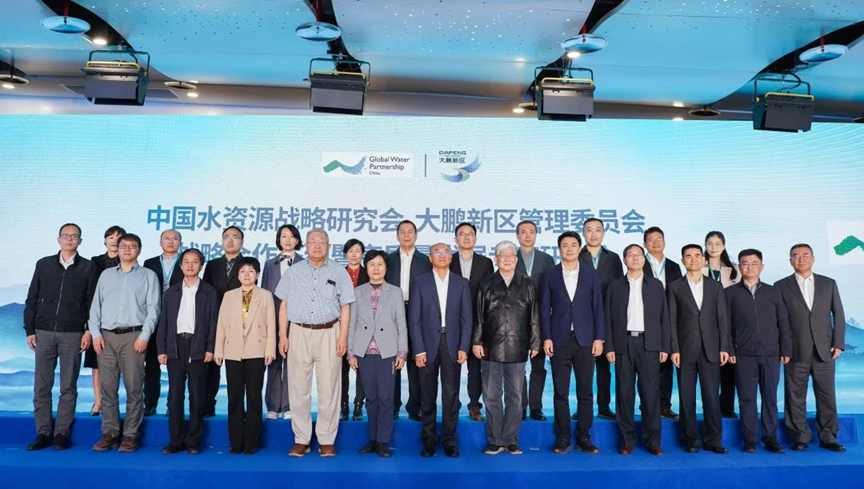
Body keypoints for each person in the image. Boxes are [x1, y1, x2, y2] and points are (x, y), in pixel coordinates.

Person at [276, 229, 355, 458]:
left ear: (329, 246)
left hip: (330, 332)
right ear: (306, 245)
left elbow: (346, 306)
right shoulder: (294, 271)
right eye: (313, 241)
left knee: (329, 388)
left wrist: (343, 336)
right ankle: (301, 439)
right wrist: (283, 335)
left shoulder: (339, 271)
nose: (317, 245)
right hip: (299, 332)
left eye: (322, 242)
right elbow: (284, 305)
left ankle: (326, 439)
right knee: (298, 388)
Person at [23, 223, 97, 451]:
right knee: (41, 386)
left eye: (74, 236)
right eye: (65, 235)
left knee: (68, 386)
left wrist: (88, 330)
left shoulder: (88, 267)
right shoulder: (44, 264)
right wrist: (30, 330)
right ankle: (43, 432)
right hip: (43, 332)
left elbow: (91, 302)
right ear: (58, 239)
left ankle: (61, 433)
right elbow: (32, 298)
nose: (69, 239)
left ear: (80, 241)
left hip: (73, 333)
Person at [89, 233, 160, 453]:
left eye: (132, 246)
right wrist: (95, 334)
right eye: (123, 246)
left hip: (134, 337)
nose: (127, 249)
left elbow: (154, 309)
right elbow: (95, 307)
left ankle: (130, 435)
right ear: (117, 249)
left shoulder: (148, 275)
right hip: (106, 337)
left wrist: (144, 336)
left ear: (139, 250)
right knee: (108, 388)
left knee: (134, 388)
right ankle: (109, 433)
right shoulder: (106, 275)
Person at [775, 244, 846, 452]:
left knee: (827, 395)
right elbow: (779, 320)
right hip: (795, 350)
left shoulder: (828, 283)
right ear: (790, 261)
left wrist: (838, 343)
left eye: (805, 255)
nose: (801, 259)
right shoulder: (780, 286)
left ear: (813, 258)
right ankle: (800, 437)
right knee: (795, 396)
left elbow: (838, 314)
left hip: (825, 350)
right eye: (796, 256)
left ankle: (829, 437)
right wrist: (783, 348)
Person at [472, 240, 540, 455]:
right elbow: (479, 316)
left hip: (517, 346)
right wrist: (476, 341)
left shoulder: (527, 284)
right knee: (491, 396)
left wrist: (535, 341)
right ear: (496, 260)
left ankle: (510, 439)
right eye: (503, 256)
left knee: (515, 397)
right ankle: (495, 440)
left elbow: (534, 316)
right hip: (490, 347)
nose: (507, 259)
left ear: (516, 260)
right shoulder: (486, 283)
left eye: (511, 256)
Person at [539, 231, 604, 455]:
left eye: (573, 245)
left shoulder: (590, 274)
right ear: (559, 249)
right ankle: (564, 437)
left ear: (579, 248)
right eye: (565, 245)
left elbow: (598, 307)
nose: (569, 249)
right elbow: (544, 310)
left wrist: (599, 338)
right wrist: (546, 337)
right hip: (559, 341)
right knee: (561, 392)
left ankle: (584, 437)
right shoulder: (549, 275)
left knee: (585, 393)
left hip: (586, 340)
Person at [604, 244, 669, 456]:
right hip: (623, 344)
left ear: (644, 259)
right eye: (630, 255)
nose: (634, 258)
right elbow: (608, 318)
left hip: (649, 344)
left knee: (650, 395)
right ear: (624, 260)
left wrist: (664, 346)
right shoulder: (615, 286)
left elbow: (664, 317)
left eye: (638, 255)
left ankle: (653, 441)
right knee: (625, 394)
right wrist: (609, 346)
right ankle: (627, 440)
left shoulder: (656, 285)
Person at [409, 243, 472, 458]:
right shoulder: (419, 282)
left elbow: (467, 319)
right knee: (427, 395)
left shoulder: (461, 283)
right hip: (426, 345)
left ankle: (450, 441)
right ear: (430, 257)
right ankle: (428, 440)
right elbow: (414, 320)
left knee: (451, 395)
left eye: (446, 252)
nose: (442, 255)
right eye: (437, 252)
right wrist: (418, 349)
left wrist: (463, 346)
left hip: (452, 344)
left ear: (451, 257)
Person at [726, 249, 791, 454]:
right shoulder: (730, 293)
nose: (750, 267)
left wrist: (785, 348)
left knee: (770, 398)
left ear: (761, 267)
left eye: (754, 263)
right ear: (739, 267)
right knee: (746, 399)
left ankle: (771, 438)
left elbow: (783, 322)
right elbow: (725, 326)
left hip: (771, 354)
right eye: (745, 263)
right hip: (743, 355)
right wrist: (730, 349)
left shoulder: (774, 292)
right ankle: (750, 440)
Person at [668, 244, 730, 454]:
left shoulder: (715, 286)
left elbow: (723, 319)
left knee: (711, 397)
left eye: (697, 255)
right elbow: (671, 321)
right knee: (687, 399)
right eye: (688, 256)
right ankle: (691, 440)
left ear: (704, 260)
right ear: (682, 261)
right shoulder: (674, 287)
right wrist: (674, 349)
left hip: (711, 350)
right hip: (685, 350)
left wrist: (724, 347)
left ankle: (713, 440)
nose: (693, 259)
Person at [157, 248, 219, 455]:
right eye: (186, 261)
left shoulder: (209, 291)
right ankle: (175, 441)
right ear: (181, 265)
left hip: (198, 346)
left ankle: (193, 441)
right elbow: (164, 322)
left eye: (195, 262)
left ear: (201, 265)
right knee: (175, 397)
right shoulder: (171, 292)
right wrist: (162, 349)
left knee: (197, 396)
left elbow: (213, 323)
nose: (190, 265)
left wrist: (210, 347)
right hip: (175, 347)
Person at [348, 250, 408, 458]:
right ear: (366, 268)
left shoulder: (395, 292)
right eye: (372, 264)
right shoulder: (357, 292)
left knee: (386, 397)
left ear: (386, 268)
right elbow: (352, 324)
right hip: (364, 352)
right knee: (371, 398)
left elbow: (401, 324)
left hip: (387, 352)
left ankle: (383, 441)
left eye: (380, 264)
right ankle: (372, 439)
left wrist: (402, 352)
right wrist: (351, 353)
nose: (376, 268)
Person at [214, 258, 276, 455]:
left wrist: (270, 350)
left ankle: (251, 443)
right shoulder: (229, 296)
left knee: (254, 397)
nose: (247, 275)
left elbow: (271, 325)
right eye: (242, 271)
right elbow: (221, 325)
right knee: (234, 397)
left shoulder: (265, 295)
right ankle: (236, 442)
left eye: (251, 271)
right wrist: (218, 350)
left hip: (257, 351)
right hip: (233, 352)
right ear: (237, 275)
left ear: (257, 274)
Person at [385, 220, 431, 420]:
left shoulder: (426, 261)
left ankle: (415, 407)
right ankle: (392, 406)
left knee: (415, 360)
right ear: (397, 236)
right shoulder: (388, 260)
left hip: (417, 311)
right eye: (402, 232)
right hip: (392, 312)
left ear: (416, 235)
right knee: (392, 360)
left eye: (410, 231)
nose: (406, 235)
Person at [579, 217, 623, 420]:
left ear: (603, 233)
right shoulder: (576, 256)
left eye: (598, 230)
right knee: (584, 368)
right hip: (583, 319)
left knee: (604, 367)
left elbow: (621, 287)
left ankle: (604, 406)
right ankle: (582, 407)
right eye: (589, 230)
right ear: (583, 233)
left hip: (607, 317)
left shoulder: (613, 258)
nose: (593, 234)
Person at [450, 222, 494, 422]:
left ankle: (475, 406)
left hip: (477, 323)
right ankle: (452, 405)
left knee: (476, 369)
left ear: (475, 239)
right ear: (455, 239)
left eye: (470, 234)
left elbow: (489, 294)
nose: (466, 237)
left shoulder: (485, 263)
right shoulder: (448, 260)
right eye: (462, 234)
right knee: (452, 368)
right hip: (452, 322)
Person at [201, 225, 245, 417]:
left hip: (240, 321)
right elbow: (205, 292)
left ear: (241, 242)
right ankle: (208, 404)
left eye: (235, 237)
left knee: (238, 368)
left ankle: (238, 408)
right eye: (226, 236)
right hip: (214, 320)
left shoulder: (248, 264)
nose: (230, 240)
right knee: (211, 365)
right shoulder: (212, 265)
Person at [515, 220, 556, 421]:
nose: (527, 235)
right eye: (523, 232)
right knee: (518, 367)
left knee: (538, 366)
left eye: (531, 232)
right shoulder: (510, 257)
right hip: (516, 321)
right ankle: (520, 406)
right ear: (517, 235)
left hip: (540, 320)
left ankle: (536, 407)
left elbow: (553, 289)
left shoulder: (546, 259)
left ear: (536, 235)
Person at [261, 224, 303, 421]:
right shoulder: (269, 265)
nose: (287, 240)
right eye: (283, 236)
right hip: (273, 317)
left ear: (297, 240)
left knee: (293, 363)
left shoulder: (305, 263)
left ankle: (288, 405)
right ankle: (272, 405)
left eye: (291, 236)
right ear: (278, 239)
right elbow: (264, 292)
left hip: (298, 319)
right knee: (274, 361)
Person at [142, 229, 184, 416]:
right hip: (153, 317)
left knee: (176, 366)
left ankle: (172, 405)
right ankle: (150, 403)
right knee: (151, 364)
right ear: (160, 243)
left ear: (180, 243)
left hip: (178, 319)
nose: (171, 241)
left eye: (175, 239)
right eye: (167, 238)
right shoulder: (149, 263)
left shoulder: (186, 262)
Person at [642, 226, 682, 420]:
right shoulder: (638, 263)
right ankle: (647, 405)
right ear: (645, 244)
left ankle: (664, 405)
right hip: (645, 320)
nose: (656, 243)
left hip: (668, 320)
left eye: (659, 239)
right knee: (647, 368)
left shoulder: (674, 266)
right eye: (651, 240)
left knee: (666, 367)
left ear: (664, 242)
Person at [86, 225, 126, 416]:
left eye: (118, 237)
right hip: (97, 318)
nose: (114, 240)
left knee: (117, 364)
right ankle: (98, 401)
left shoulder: (129, 262)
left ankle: (112, 401)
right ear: (105, 240)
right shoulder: (94, 262)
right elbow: (89, 292)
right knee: (97, 363)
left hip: (121, 320)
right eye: (110, 237)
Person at [703, 230, 741, 419]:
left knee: (729, 368)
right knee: (709, 369)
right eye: (710, 243)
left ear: (724, 246)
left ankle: (726, 406)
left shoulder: (735, 269)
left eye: (717, 244)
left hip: (729, 322)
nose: (713, 247)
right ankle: (710, 408)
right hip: (705, 322)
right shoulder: (698, 266)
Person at [343, 238, 369, 421]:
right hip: (340, 326)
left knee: (363, 368)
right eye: (350, 251)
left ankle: (359, 403)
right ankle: (343, 404)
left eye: (357, 251)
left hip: (363, 326)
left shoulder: (370, 274)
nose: (354, 255)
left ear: (362, 254)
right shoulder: (337, 274)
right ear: (345, 254)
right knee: (340, 368)